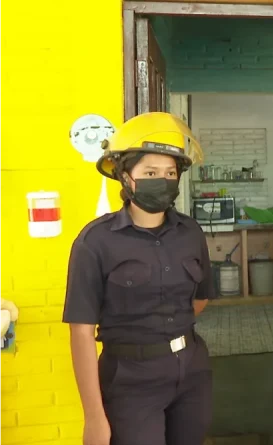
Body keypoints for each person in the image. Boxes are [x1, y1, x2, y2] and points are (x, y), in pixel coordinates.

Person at [62, 112, 216, 445]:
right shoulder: (95, 242)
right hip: (128, 379)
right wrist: (93, 417)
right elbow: (81, 333)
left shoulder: (190, 232)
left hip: (191, 371)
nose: (161, 180)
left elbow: (200, 298)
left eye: (169, 173)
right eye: (149, 172)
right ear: (125, 178)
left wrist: (166, 333)